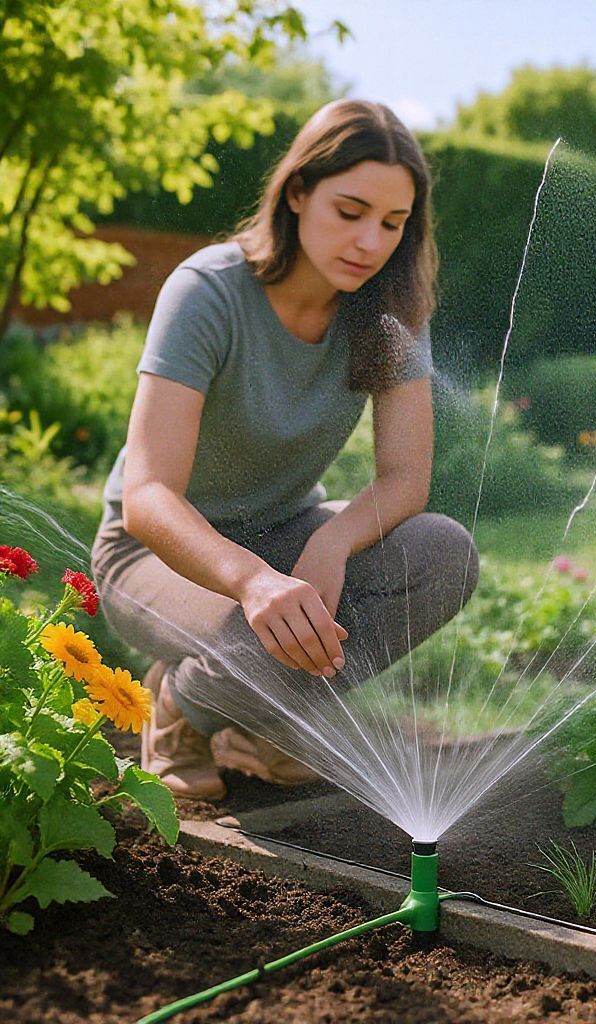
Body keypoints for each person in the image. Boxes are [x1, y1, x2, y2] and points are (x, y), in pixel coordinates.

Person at [91, 100, 479, 801]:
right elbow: (149, 496)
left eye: (392, 224)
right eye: (350, 211)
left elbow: (405, 480)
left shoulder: (389, 313)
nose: (369, 241)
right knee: (264, 632)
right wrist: (253, 582)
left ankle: (248, 714)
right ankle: (179, 710)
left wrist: (332, 542)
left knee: (443, 554)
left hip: (284, 532)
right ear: (298, 193)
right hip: (150, 554)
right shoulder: (209, 291)